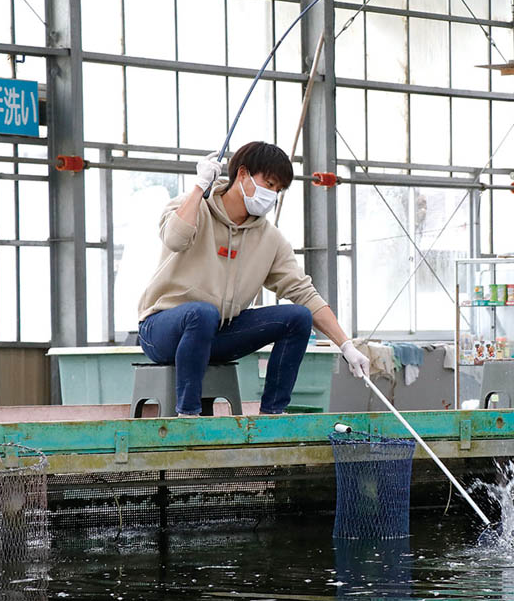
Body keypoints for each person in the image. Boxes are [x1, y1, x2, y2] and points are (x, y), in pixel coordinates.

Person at [137, 142, 370, 416]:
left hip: (217, 332)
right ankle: (188, 417)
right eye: (269, 183)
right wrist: (199, 188)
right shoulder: (194, 207)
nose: (272, 195)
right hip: (161, 330)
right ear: (243, 175)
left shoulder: (269, 239)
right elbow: (174, 239)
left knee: (297, 317)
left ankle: (272, 415)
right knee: (202, 314)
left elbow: (304, 293)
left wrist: (345, 344)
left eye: (278, 190)